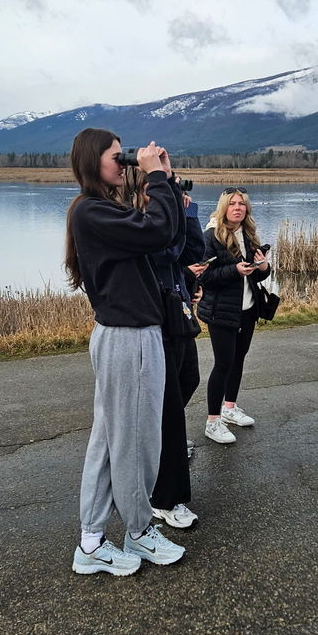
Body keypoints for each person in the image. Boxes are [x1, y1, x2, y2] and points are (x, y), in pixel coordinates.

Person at [64, 128, 185, 576]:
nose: (125, 162)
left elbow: (169, 238)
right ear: (92, 161)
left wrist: (165, 181)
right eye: (118, 156)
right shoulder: (92, 212)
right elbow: (158, 230)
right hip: (128, 338)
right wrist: (156, 178)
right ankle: (138, 531)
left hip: (126, 334)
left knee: (109, 441)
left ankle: (92, 543)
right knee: (136, 441)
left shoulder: (100, 211)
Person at [131, 173, 204, 529]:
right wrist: (174, 210)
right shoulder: (140, 224)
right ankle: (165, 498)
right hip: (155, 324)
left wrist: (187, 215)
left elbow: (191, 252)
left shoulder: (165, 220)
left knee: (189, 379)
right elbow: (166, 252)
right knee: (170, 412)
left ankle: (156, 449)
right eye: (165, 188)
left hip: (178, 318)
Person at [197, 187, 270, 444]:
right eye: (232, 204)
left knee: (239, 359)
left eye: (241, 204)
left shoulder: (249, 235)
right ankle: (212, 421)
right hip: (221, 312)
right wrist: (234, 271)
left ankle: (230, 408)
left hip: (248, 309)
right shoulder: (211, 236)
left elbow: (257, 275)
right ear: (223, 207)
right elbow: (204, 276)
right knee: (223, 364)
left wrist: (263, 266)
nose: (237, 208)